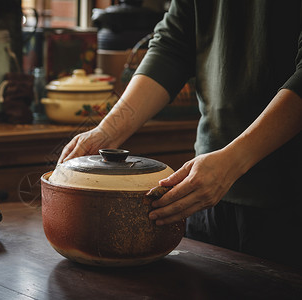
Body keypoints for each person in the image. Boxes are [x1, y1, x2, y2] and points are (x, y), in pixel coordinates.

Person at [57, 0, 302, 268]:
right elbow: (173, 45)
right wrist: (107, 132)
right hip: (203, 189)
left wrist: (233, 162)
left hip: (288, 198)